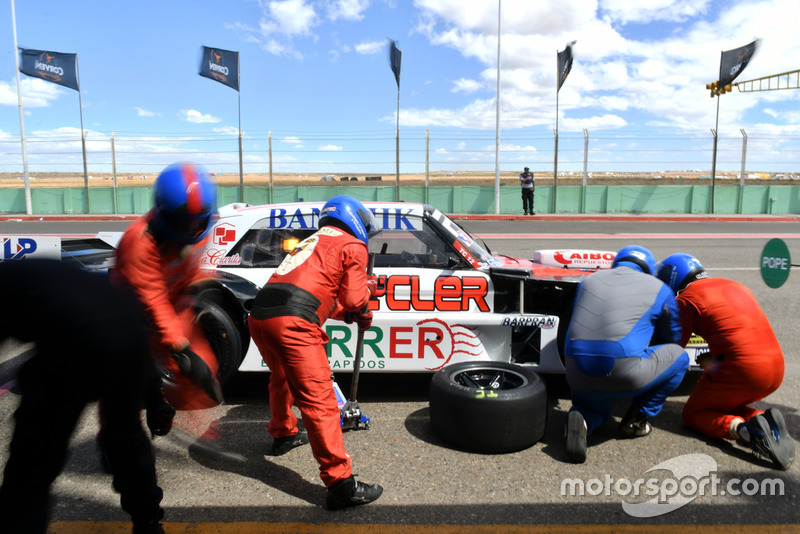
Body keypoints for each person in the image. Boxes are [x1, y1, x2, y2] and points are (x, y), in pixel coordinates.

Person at [0, 260, 167, 534]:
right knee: (126, 437)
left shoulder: (8, 281)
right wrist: (155, 399)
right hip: (126, 329)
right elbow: (138, 349)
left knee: (33, 461)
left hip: (76, 338)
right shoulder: (33, 274)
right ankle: (148, 522)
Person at [248, 195, 383, 510]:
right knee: (320, 403)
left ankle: (283, 433)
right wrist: (363, 299)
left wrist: (352, 310)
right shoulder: (353, 246)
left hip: (260, 317)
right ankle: (341, 485)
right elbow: (351, 299)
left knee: (280, 377)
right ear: (356, 219)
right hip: (293, 324)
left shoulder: (313, 240)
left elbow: (311, 296)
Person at [109, 161, 225, 451]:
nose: (193, 228)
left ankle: (177, 415)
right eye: (186, 222)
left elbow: (192, 266)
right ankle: (117, 445)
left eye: (199, 221)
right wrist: (180, 347)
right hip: (127, 314)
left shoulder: (200, 226)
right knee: (124, 386)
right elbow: (152, 299)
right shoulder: (139, 242)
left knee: (202, 368)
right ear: (165, 213)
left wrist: (200, 288)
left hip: (171, 304)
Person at [657, 253, 794, 470]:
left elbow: (671, 349)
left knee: (693, 413)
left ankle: (744, 431)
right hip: (776, 369)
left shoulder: (687, 300)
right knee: (723, 402)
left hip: (744, 372)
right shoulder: (736, 285)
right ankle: (764, 418)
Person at [564, 245, 690, 463]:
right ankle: (636, 419)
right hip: (622, 368)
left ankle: (583, 418)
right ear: (649, 269)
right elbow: (671, 337)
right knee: (679, 356)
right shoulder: (659, 287)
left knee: (593, 406)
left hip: (576, 367)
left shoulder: (590, 281)